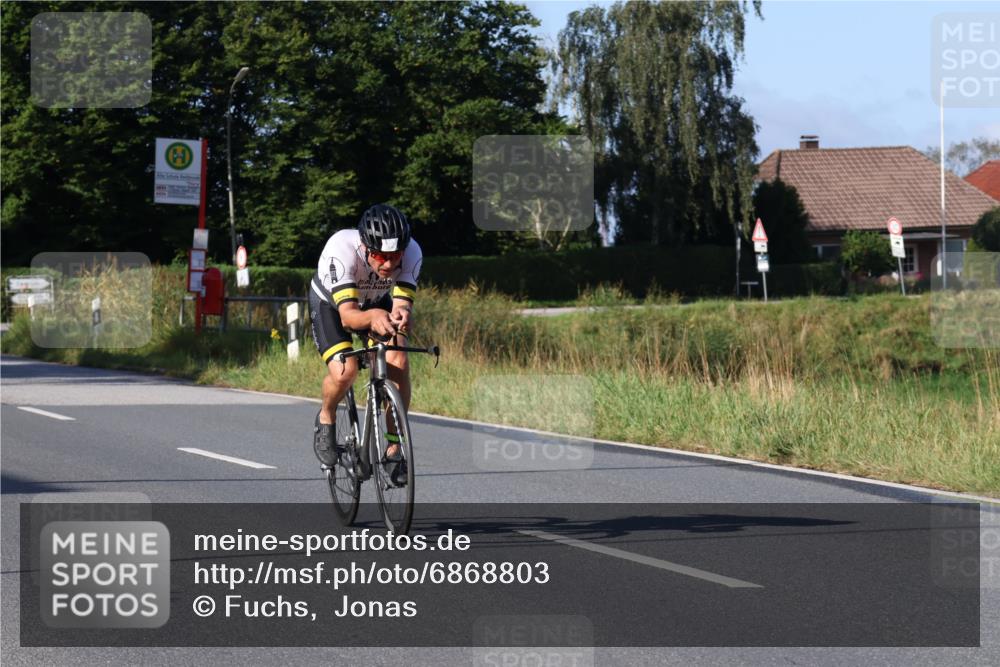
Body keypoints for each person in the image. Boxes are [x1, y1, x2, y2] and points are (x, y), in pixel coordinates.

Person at [309, 203, 421, 471]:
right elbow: (348, 317)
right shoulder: (341, 249)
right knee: (345, 372)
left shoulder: (413, 252)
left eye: (395, 256)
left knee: (398, 360)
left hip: (375, 301)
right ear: (366, 247)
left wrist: (402, 315)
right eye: (381, 256)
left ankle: (394, 448)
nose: (389, 264)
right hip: (332, 305)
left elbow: (401, 304)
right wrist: (373, 317)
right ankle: (326, 416)